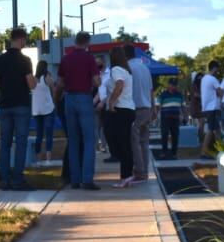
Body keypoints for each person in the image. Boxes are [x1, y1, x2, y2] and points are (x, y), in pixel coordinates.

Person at [0, 28, 37, 191]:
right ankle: (18, 180)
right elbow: (31, 84)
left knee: (5, 144)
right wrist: (35, 81)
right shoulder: (25, 60)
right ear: (22, 40)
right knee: (21, 143)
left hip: (5, 106)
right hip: (21, 105)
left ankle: (4, 180)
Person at [59, 32, 101, 190]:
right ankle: (87, 179)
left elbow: (60, 82)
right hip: (84, 98)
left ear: (75, 41)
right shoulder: (89, 58)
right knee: (89, 139)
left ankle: (74, 180)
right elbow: (97, 81)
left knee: (73, 140)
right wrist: (96, 81)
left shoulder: (66, 58)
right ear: (87, 43)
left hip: (69, 99)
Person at [106, 46, 137, 187]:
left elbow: (119, 85)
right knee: (125, 142)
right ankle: (128, 174)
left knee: (118, 141)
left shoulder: (116, 70)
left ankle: (125, 175)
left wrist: (111, 102)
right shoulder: (127, 71)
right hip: (129, 108)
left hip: (120, 109)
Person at [126, 44, 154, 181]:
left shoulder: (128, 69)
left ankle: (139, 170)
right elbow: (150, 90)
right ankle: (145, 170)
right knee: (144, 141)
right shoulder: (145, 68)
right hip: (147, 107)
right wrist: (153, 108)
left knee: (134, 141)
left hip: (135, 108)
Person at [31, 59, 56, 163]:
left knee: (39, 134)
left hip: (36, 110)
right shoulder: (47, 76)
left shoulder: (33, 79)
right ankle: (48, 157)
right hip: (48, 109)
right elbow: (53, 89)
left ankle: (38, 157)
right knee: (49, 133)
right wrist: (54, 102)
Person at [156, 77, 185, 159]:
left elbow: (183, 106)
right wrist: (155, 115)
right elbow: (158, 105)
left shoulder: (179, 95)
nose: (173, 87)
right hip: (165, 118)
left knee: (175, 135)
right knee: (164, 134)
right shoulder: (163, 95)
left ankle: (174, 153)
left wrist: (184, 116)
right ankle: (164, 151)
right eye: (172, 85)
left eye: (175, 85)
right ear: (168, 85)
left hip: (175, 118)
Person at [199, 60, 223, 157]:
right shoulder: (213, 79)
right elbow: (220, 92)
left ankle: (221, 149)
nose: (218, 71)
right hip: (212, 107)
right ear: (214, 68)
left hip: (207, 107)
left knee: (217, 130)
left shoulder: (204, 79)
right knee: (210, 130)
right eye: (217, 69)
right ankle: (204, 151)